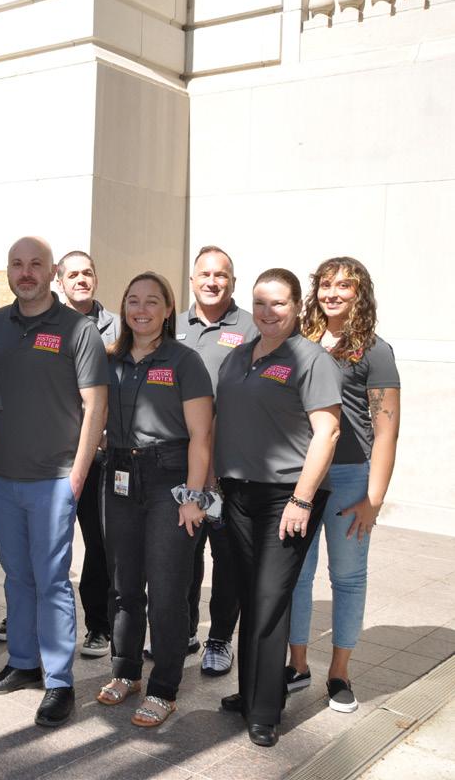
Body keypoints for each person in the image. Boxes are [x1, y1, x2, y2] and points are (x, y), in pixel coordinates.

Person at [0, 236, 108, 729]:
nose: (25, 272)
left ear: (52, 273)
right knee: (17, 575)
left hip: (54, 480)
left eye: (36, 264)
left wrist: (78, 473)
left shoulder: (79, 329)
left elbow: (96, 405)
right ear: (8, 271)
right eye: (17, 264)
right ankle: (24, 662)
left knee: (51, 580)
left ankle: (59, 681)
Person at [216, 268, 342, 748]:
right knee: (252, 593)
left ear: (296, 306)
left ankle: (266, 709)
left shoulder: (311, 359)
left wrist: (302, 499)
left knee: (271, 596)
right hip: (238, 492)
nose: (268, 312)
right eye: (260, 303)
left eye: (279, 303)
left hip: (287, 497)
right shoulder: (239, 356)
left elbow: (328, 431)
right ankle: (251, 691)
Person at [96, 272, 213, 728]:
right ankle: (126, 671)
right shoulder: (110, 360)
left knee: (166, 591)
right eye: (132, 300)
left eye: (151, 301)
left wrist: (194, 497)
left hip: (170, 479)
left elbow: (202, 436)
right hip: (119, 475)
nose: (140, 309)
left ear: (168, 311)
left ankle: (164, 688)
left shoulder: (185, 361)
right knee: (123, 585)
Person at [286, 258, 400, 715]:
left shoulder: (375, 350)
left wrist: (374, 500)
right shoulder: (300, 341)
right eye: (326, 285)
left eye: (344, 286)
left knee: (348, 578)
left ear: (360, 293)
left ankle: (339, 673)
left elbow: (386, 430)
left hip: (352, 477)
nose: (333, 293)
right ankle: (297, 665)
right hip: (302, 475)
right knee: (297, 573)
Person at [174, 246, 259, 676]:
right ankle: (184, 630)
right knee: (184, 553)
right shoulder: (172, 325)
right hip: (182, 464)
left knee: (227, 558)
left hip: (231, 469)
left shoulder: (251, 327)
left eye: (221, 275)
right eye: (204, 274)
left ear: (233, 282)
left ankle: (220, 638)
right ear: (192, 280)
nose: (212, 282)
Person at [50, 249, 118, 658]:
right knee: (48, 540)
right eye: (72, 274)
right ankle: (34, 612)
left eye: (87, 273)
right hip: (55, 453)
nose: (81, 280)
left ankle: (98, 624)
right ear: (59, 281)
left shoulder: (117, 327)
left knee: (99, 542)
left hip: (99, 456)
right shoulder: (48, 324)